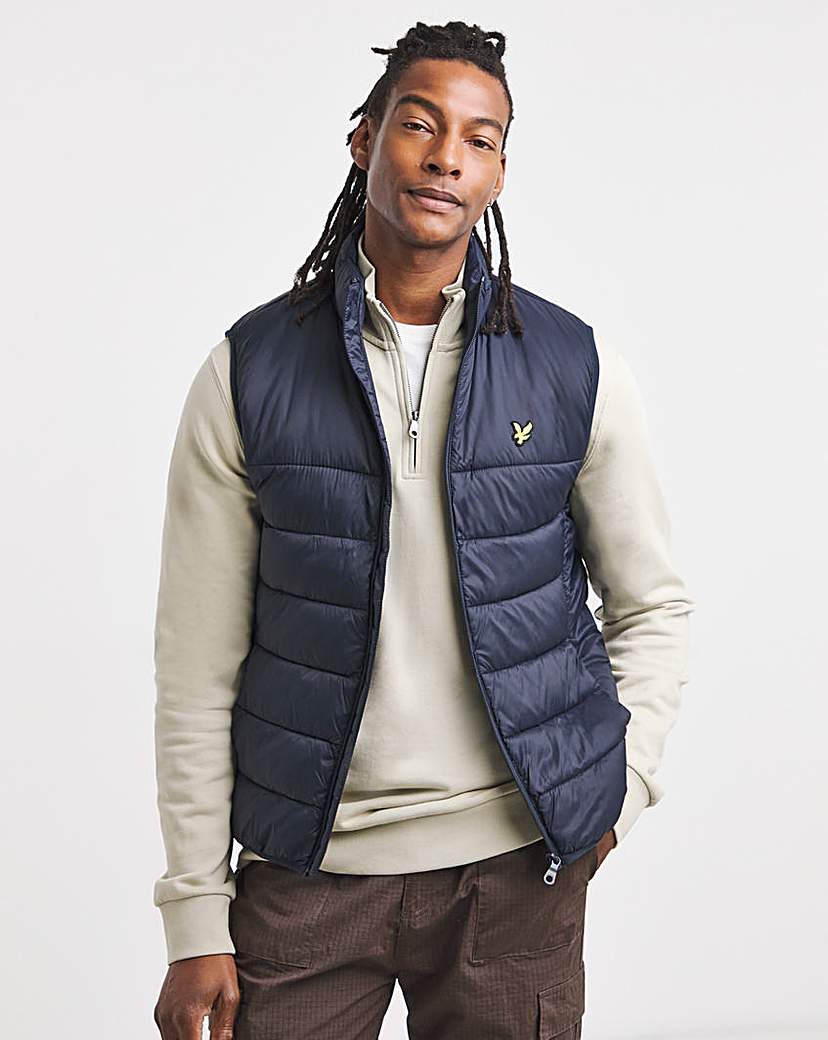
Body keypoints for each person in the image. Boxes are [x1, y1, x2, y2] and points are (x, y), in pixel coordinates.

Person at [152, 19, 695, 1040]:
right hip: (308, 878)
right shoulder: (249, 373)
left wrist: (616, 791)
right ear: (365, 139)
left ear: (498, 174)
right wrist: (193, 912)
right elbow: (195, 665)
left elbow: (651, 603)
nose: (447, 156)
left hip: (517, 875)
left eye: (480, 139)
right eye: (419, 124)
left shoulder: (573, 369)